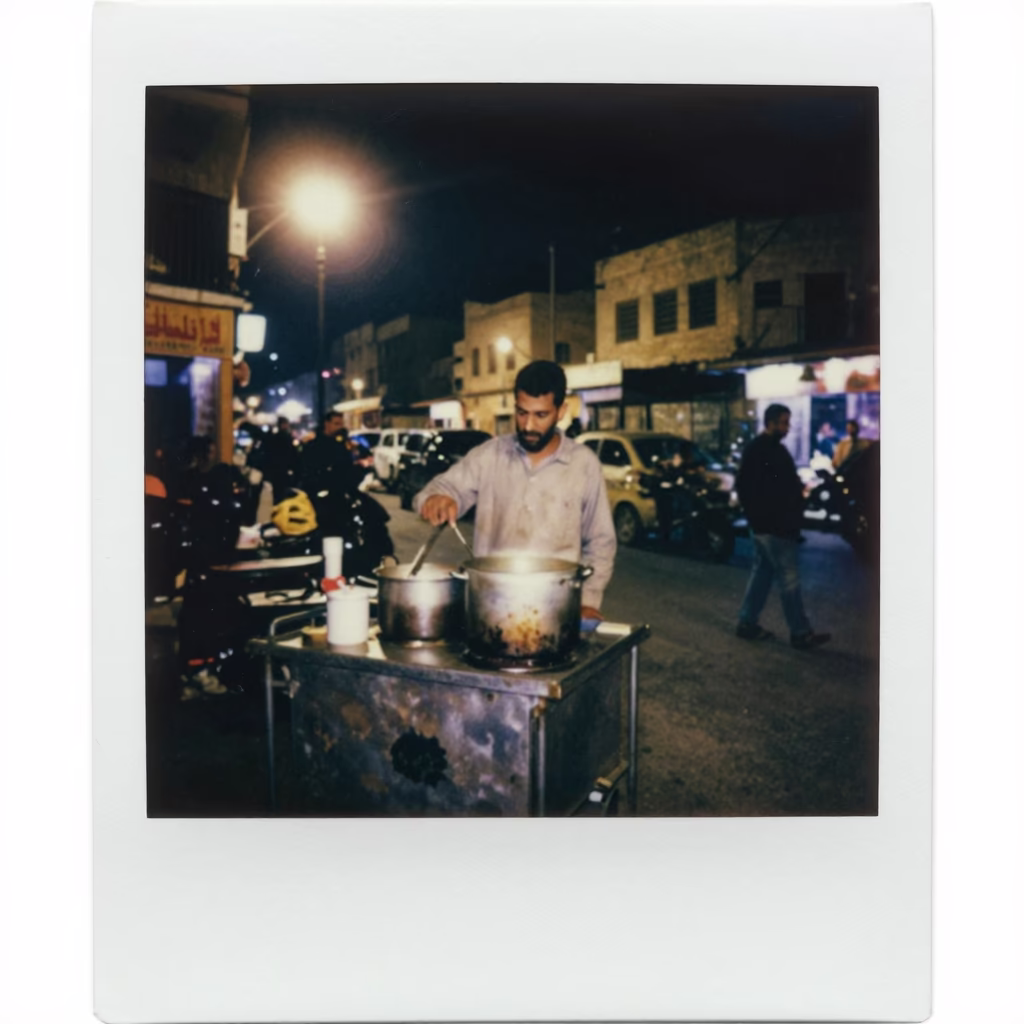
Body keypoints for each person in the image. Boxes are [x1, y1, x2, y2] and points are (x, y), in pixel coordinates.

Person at [415, 360, 616, 618]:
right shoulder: (489, 456)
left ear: (561, 411)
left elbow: (601, 543)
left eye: (540, 415)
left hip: (556, 610)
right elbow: (440, 489)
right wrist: (437, 499)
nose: (529, 426)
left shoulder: (584, 465)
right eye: (522, 413)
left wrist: (588, 600)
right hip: (489, 606)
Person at [735, 404, 831, 650]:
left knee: (762, 574)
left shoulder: (764, 449)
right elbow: (758, 488)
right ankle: (800, 632)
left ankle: (747, 622)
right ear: (769, 423)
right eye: (782, 423)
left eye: (787, 423)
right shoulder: (766, 450)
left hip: (766, 525)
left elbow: (751, 487)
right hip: (775, 526)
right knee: (789, 579)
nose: (786, 428)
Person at [260, 416, 301, 504]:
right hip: (283, 471)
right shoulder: (286, 438)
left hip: (277, 471)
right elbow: (293, 455)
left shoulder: (275, 438)